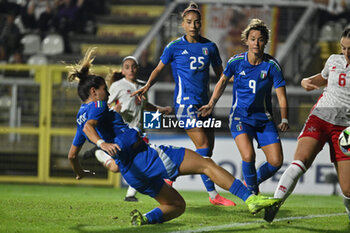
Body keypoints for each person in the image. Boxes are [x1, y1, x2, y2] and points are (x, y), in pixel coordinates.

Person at [67, 47, 282, 226]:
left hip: (132, 173)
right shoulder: (97, 105)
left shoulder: (80, 115)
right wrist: (101, 143)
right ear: (94, 91)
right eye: (104, 89)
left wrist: (79, 172)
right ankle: (250, 199)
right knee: (206, 163)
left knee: (176, 206)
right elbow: (89, 127)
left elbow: (72, 154)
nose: (106, 93)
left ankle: (144, 220)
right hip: (145, 157)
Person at [131, 1, 235, 206]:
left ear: (201, 23)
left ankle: (171, 177)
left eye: (196, 22)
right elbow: (159, 69)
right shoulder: (174, 46)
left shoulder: (210, 47)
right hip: (184, 104)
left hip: (205, 105)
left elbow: (220, 75)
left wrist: (237, 76)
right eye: (189, 22)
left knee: (206, 152)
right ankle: (213, 195)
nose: (193, 26)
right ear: (183, 24)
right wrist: (147, 86)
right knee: (203, 146)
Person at [264, 25, 350, 223]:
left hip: (345, 128)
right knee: (299, 161)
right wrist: (307, 81)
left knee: (347, 189)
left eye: (349, 49)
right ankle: (274, 204)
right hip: (320, 118)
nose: (345, 52)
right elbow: (322, 79)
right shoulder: (333, 60)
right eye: (343, 47)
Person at [199, 19, 289, 195]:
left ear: (265, 41)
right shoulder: (236, 62)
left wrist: (284, 117)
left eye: (260, 39)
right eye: (253, 38)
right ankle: (253, 196)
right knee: (248, 156)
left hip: (264, 120)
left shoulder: (272, 66)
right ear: (246, 40)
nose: (256, 43)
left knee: (276, 162)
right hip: (241, 118)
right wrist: (211, 103)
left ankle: (248, 182)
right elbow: (222, 81)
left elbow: (281, 96)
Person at [83, 55, 172, 202]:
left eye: (133, 66)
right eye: (127, 67)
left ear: (138, 68)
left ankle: (130, 195)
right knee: (116, 167)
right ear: (123, 71)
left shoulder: (143, 85)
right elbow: (104, 105)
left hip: (138, 131)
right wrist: (114, 109)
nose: (131, 69)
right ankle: (100, 153)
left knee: (141, 161)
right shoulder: (118, 86)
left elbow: (145, 105)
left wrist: (160, 109)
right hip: (122, 132)